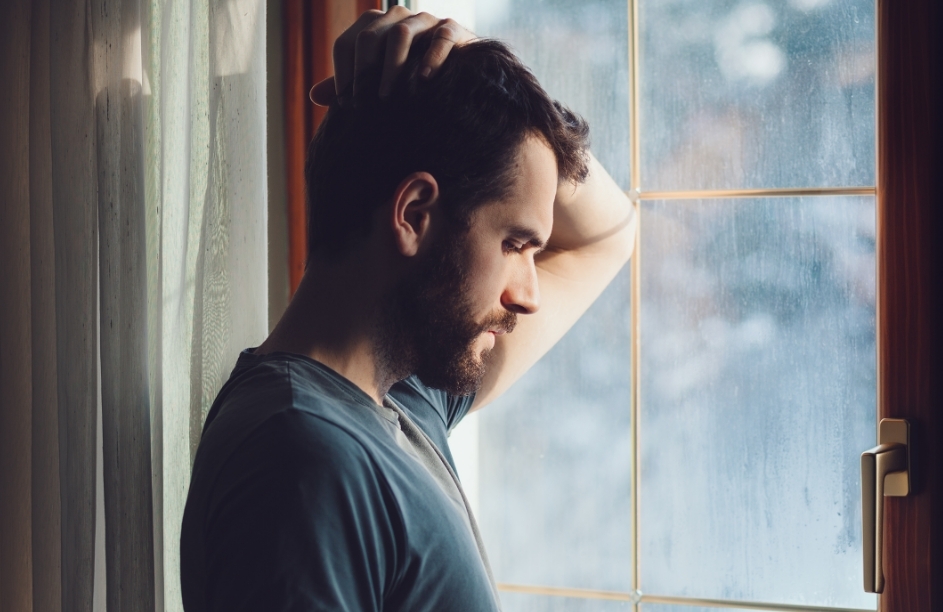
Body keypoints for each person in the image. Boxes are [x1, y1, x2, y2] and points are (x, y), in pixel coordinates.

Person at [179, 7, 635, 611]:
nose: (527, 294)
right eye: (515, 245)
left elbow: (607, 236)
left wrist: (471, 63)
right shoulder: (302, 457)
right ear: (415, 213)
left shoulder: (404, 401)